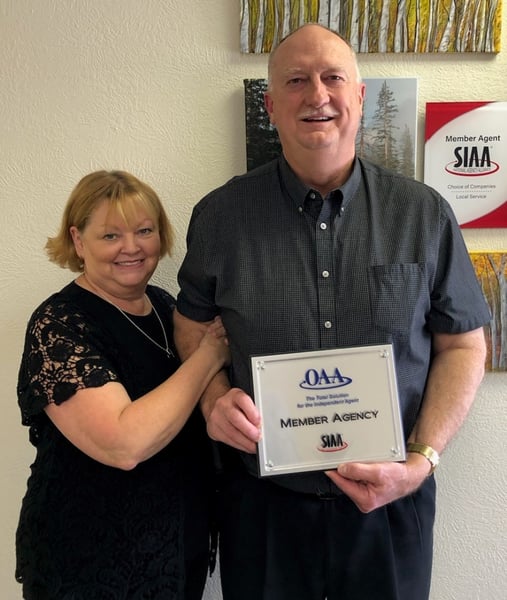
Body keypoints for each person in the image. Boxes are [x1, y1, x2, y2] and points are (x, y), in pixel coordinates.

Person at [173, 23, 491, 600]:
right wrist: (212, 397)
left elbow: (464, 345)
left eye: (332, 77)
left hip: (391, 509)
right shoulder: (220, 217)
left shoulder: (423, 215)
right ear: (270, 105)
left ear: (360, 96)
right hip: (263, 510)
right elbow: (192, 322)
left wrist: (422, 459)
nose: (316, 94)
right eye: (295, 80)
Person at [15, 170, 230, 600]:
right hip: (90, 563)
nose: (131, 247)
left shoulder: (167, 308)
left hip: (171, 550)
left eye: (144, 230)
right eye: (110, 235)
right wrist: (209, 356)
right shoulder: (59, 323)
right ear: (78, 241)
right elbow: (123, 443)